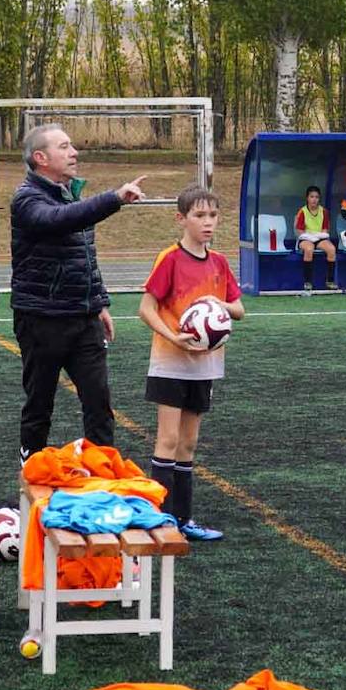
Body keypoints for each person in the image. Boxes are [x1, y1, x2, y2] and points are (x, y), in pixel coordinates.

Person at [10, 123, 147, 463]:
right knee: (40, 403)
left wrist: (99, 303)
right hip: (42, 319)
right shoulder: (27, 199)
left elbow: (83, 256)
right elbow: (61, 220)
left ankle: (103, 477)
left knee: (99, 402)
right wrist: (114, 198)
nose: (74, 153)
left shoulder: (72, 193)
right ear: (41, 158)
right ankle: (31, 471)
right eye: (65, 147)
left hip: (84, 319)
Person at [138, 185, 246, 541]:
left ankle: (183, 520)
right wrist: (172, 336)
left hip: (206, 366)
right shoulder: (169, 258)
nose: (208, 222)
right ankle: (159, 521)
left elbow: (239, 309)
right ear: (181, 219)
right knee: (167, 440)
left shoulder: (219, 263)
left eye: (213, 215)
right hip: (171, 362)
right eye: (200, 216)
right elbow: (146, 308)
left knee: (188, 444)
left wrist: (215, 307)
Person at [295, 185, 337, 292]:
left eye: (316, 197)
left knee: (331, 249)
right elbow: (299, 231)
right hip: (305, 238)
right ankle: (308, 283)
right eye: (312, 197)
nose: (314, 200)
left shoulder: (324, 211)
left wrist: (318, 235)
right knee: (309, 249)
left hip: (319, 237)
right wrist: (309, 236)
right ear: (307, 198)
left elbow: (325, 229)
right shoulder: (302, 211)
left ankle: (330, 281)